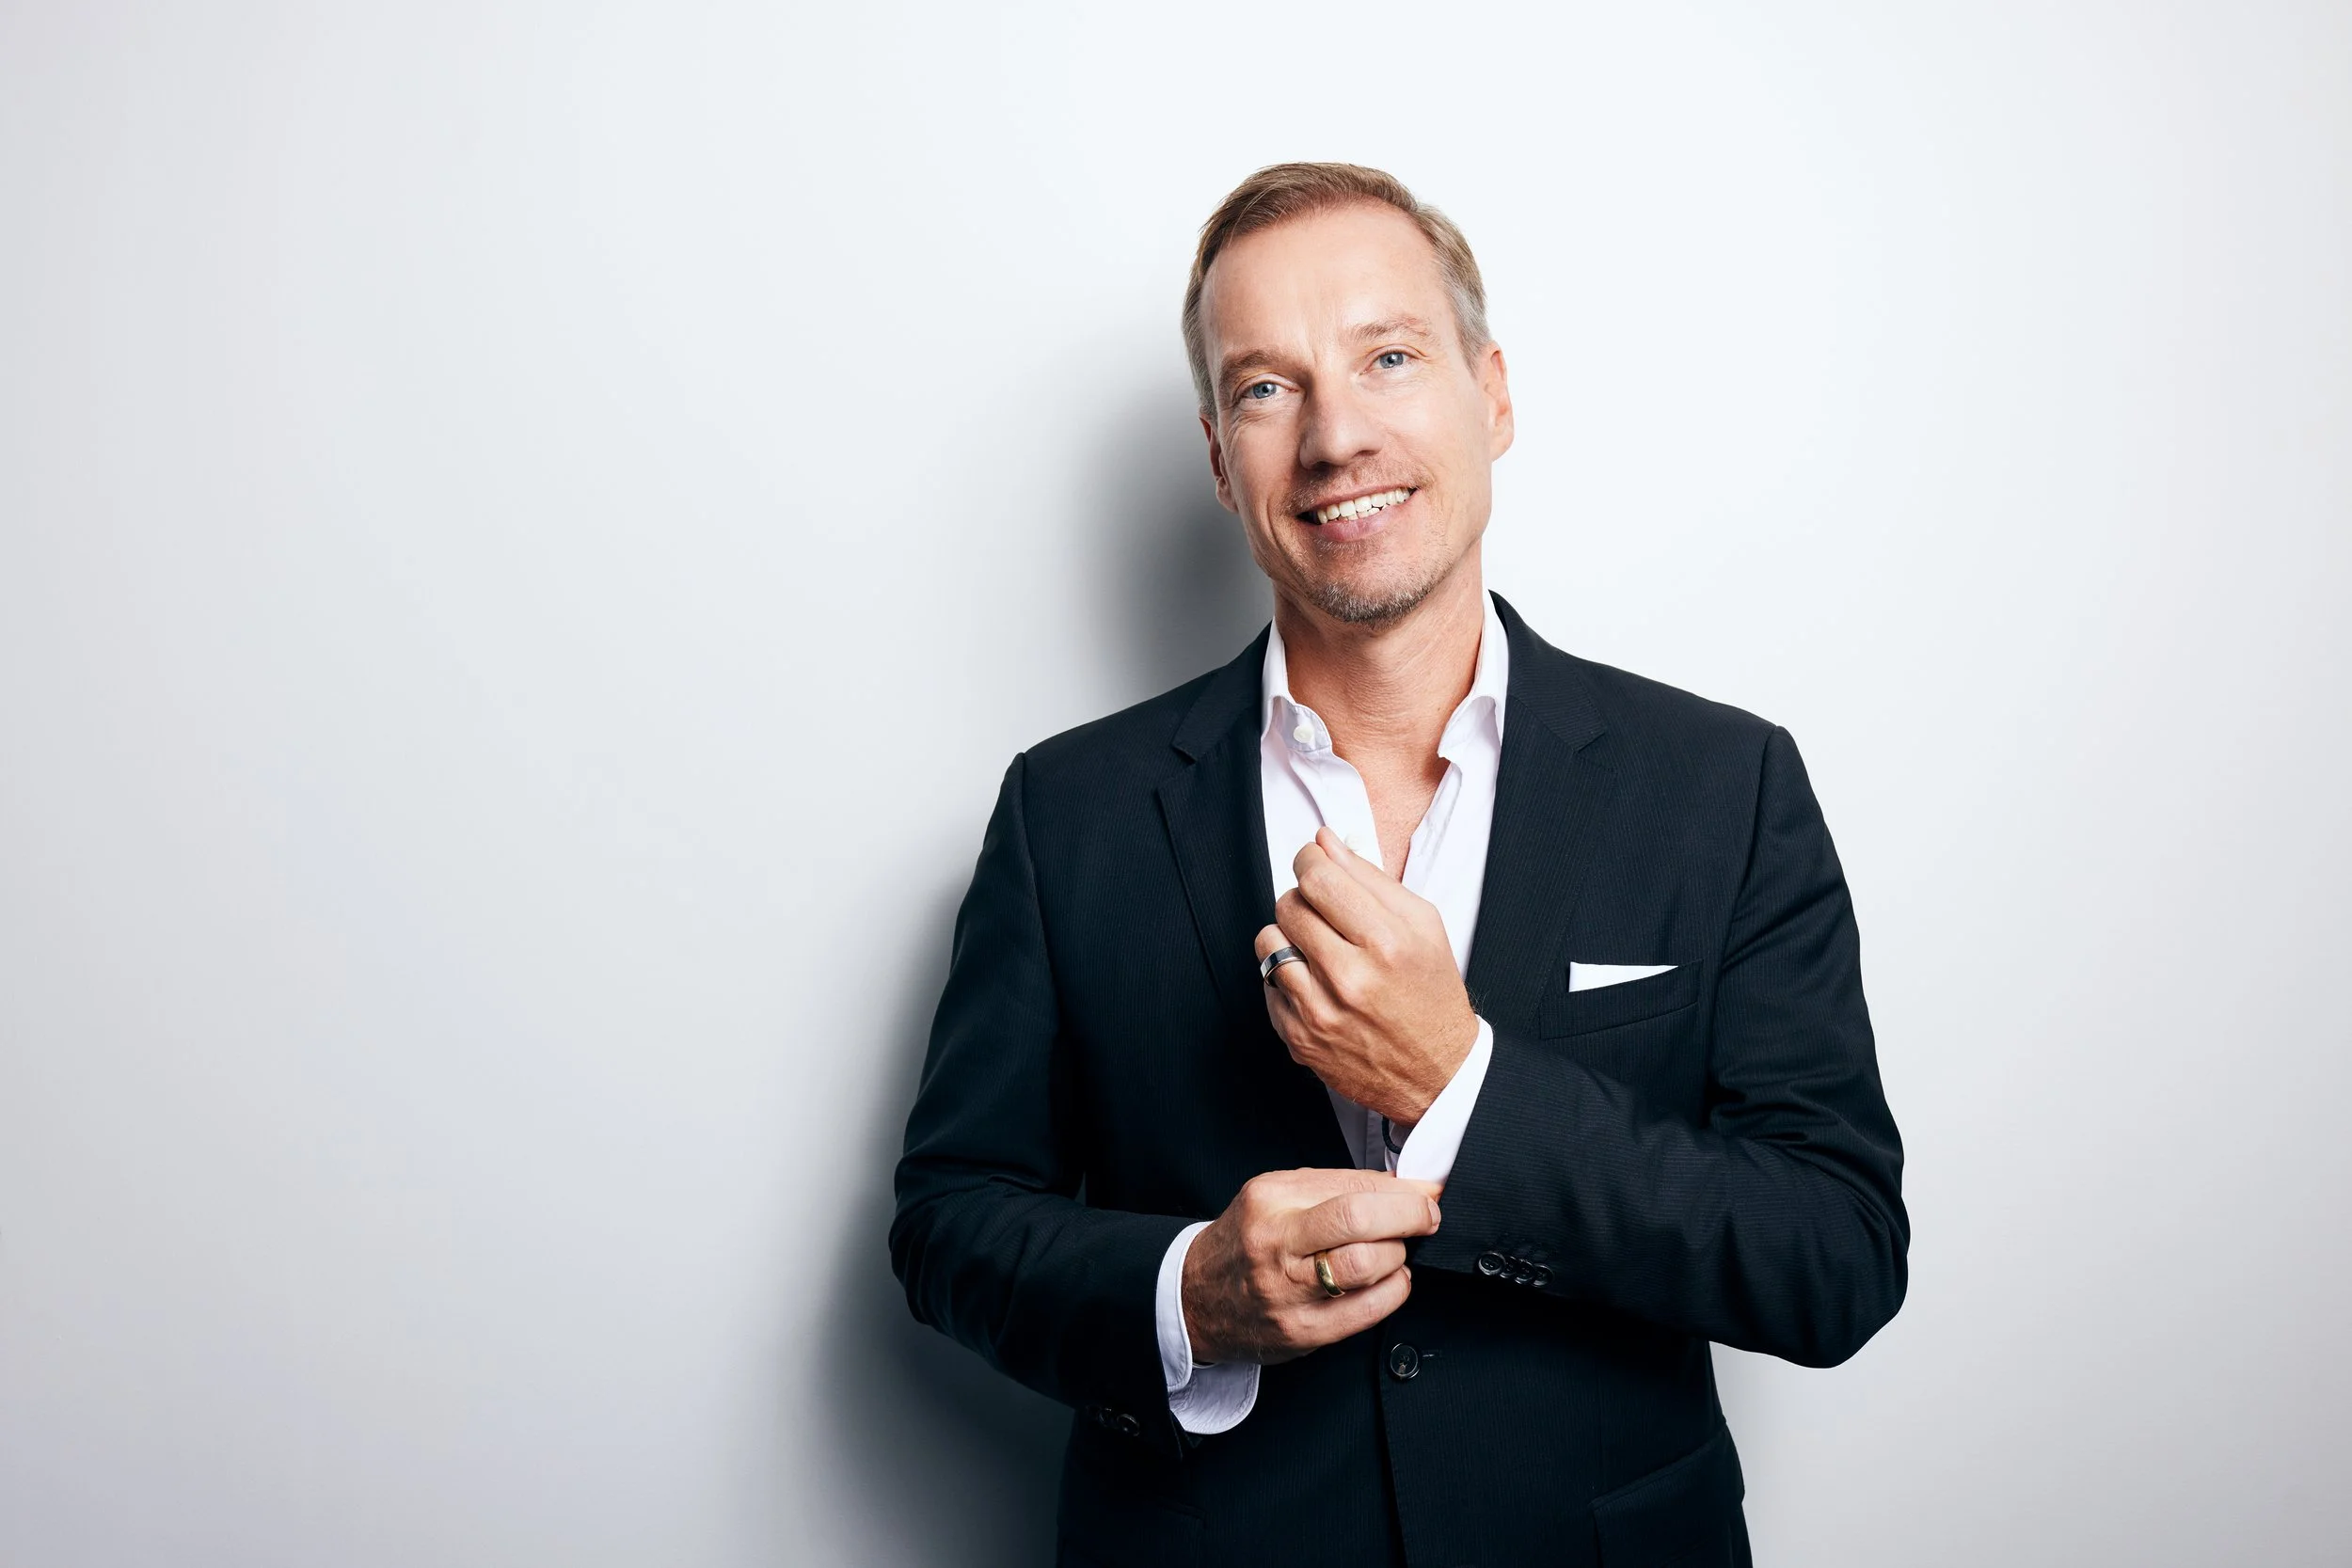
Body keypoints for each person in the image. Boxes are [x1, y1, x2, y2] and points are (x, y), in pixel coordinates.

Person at [890, 162, 1906, 1568]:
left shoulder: (1722, 789)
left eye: (1388, 357)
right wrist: (1188, 1294)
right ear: (1219, 458)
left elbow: (1835, 1253)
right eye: (1267, 387)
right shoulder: (1067, 812)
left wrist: (1458, 1084)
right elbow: (950, 1222)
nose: (1336, 437)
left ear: (1493, 396)